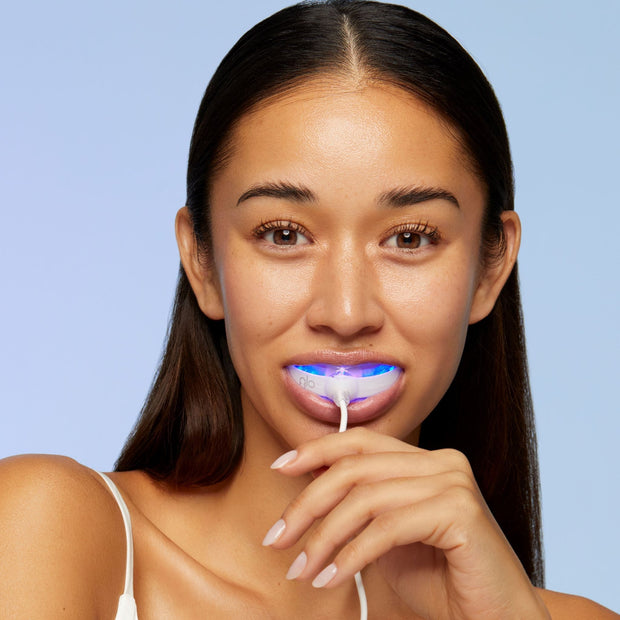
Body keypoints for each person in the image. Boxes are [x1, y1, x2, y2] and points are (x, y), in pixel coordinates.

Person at [0, 1, 616, 618]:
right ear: (203, 263)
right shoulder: (46, 529)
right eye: (284, 234)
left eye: (409, 238)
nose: (346, 313)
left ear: (490, 270)